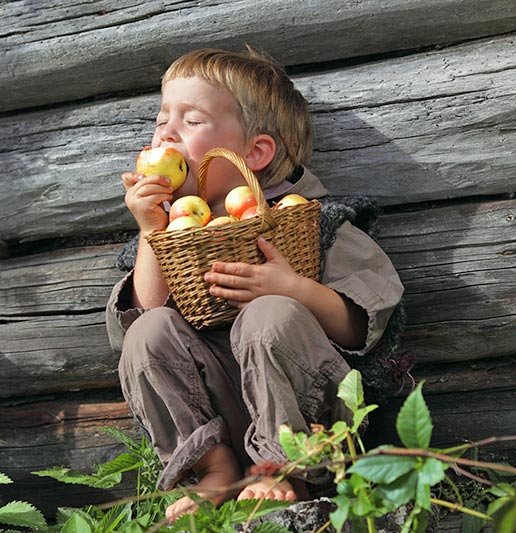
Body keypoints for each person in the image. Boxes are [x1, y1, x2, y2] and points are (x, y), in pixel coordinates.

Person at [106, 47, 404, 522]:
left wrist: (293, 288)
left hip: (311, 418)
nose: (166, 133)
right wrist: (150, 234)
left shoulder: (311, 221)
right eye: (162, 119)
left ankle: (285, 469)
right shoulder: (176, 232)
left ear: (255, 152)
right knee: (149, 332)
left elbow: (363, 324)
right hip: (221, 409)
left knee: (270, 314)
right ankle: (213, 467)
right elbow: (136, 326)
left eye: (191, 120)